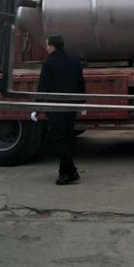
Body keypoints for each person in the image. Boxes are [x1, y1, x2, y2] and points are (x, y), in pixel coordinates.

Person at [32, 35, 84, 185]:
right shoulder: (74, 61)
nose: (47, 48)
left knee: (58, 140)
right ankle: (64, 173)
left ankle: (72, 172)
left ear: (52, 46)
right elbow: (80, 83)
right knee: (67, 139)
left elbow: (43, 87)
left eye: (47, 45)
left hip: (56, 108)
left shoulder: (49, 63)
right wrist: (82, 103)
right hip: (71, 107)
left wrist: (37, 108)